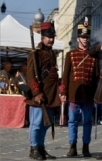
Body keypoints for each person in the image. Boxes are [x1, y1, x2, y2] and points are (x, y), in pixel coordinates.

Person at [59, 20, 101, 157]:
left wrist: (96, 94)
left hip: (88, 95)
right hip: (73, 94)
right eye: (83, 37)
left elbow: (96, 78)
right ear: (78, 38)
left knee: (87, 121)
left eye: (87, 37)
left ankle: (86, 146)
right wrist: (63, 92)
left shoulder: (94, 57)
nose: (85, 40)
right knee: (72, 121)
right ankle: (72, 146)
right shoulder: (70, 55)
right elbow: (65, 76)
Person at [25, 21, 60, 160]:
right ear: (42, 37)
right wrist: (36, 93)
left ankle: (40, 147)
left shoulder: (51, 53)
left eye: (52, 36)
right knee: (36, 124)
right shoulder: (36, 53)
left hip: (50, 95)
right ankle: (33, 149)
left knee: (46, 124)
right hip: (39, 95)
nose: (51, 39)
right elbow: (30, 74)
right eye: (48, 36)